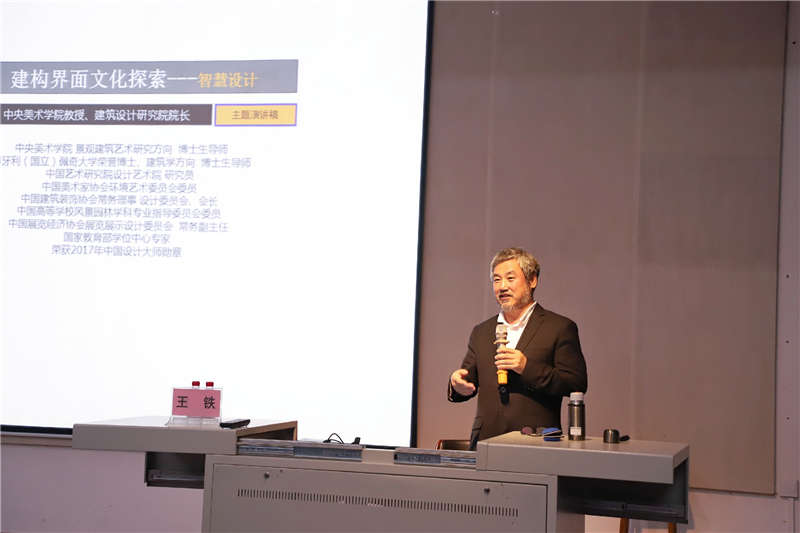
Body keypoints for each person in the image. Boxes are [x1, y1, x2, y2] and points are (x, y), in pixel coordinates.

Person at [448, 247, 588, 450]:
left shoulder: (559, 327)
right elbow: (467, 380)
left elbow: (576, 382)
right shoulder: (481, 331)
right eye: (497, 280)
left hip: (536, 442)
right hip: (486, 441)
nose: (502, 287)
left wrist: (526, 367)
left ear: (532, 281)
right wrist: (457, 385)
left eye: (510, 278)